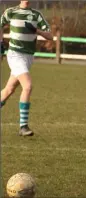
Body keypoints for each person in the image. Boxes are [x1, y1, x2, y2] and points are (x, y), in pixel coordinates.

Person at [0, 0, 53, 136]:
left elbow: (50, 36)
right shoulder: (11, 12)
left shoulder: (36, 15)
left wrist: (36, 30)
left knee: (9, 89)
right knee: (27, 86)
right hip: (15, 55)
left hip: (28, 57)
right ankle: (23, 126)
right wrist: (1, 42)